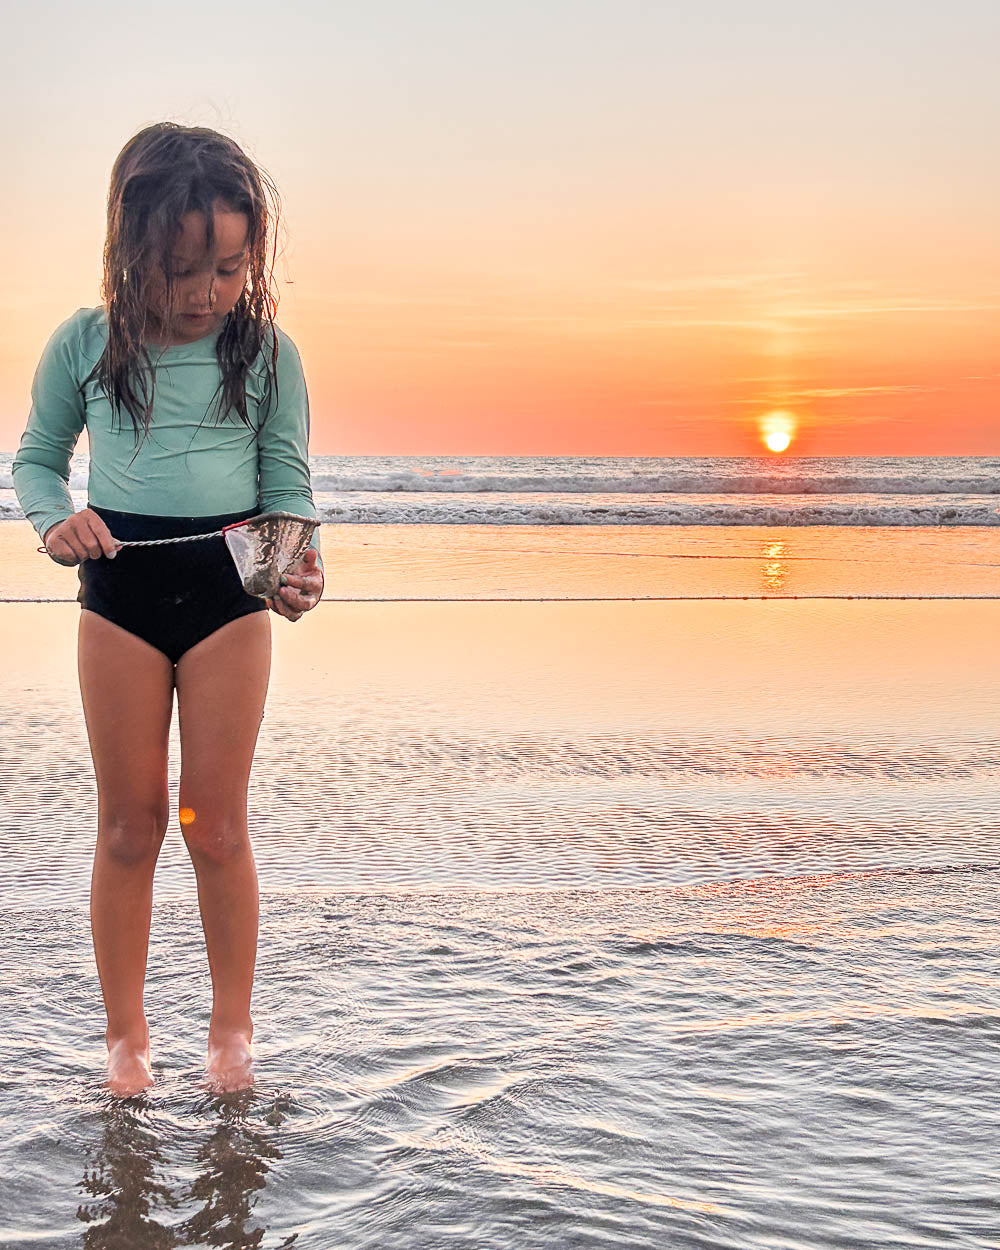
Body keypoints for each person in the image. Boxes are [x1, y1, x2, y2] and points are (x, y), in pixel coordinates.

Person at [11, 122, 325, 1098]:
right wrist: (56, 521)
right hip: (119, 597)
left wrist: (297, 568)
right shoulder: (86, 341)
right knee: (128, 826)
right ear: (133, 250)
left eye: (231, 268)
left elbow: (288, 487)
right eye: (185, 268)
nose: (207, 292)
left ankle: (230, 1032)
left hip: (230, 596)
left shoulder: (266, 352)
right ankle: (127, 1038)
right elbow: (33, 459)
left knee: (216, 825)